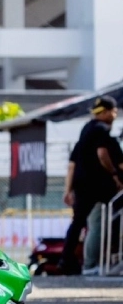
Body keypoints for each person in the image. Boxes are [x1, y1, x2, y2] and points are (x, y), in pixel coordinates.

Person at [61, 95, 123, 274]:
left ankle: (67, 261)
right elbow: (102, 154)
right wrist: (114, 175)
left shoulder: (86, 130)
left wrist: (68, 189)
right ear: (105, 112)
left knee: (78, 223)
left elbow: (72, 166)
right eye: (113, 111)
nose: (115, 115)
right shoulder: (101, 130)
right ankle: (100, 260)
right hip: (96, 185)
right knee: (106, 220)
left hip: (82, 185)